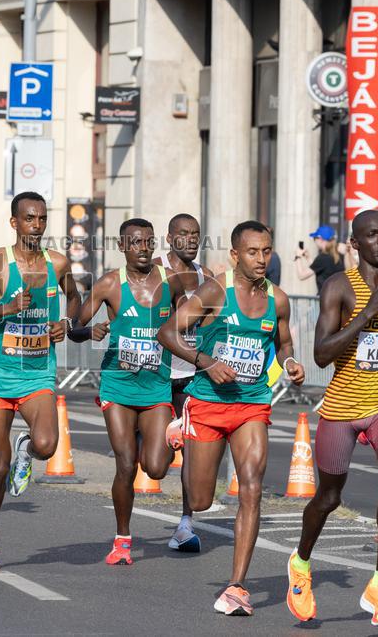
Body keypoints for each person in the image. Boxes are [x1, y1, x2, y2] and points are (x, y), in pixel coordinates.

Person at [158, 221, 304, 616]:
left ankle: (237, 586)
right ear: (235, 255)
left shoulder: (280, 299)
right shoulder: (215, 291)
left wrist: (289, 361)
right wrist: (206, 362)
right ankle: (181, 431)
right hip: (206, 402)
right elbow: (168, 333)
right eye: (253, 252)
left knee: (251, 487)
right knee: (202, 500)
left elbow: (283, 340)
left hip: (252, 404)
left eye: (267, 251)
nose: (262, 260)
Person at [286, 210, 378, 628]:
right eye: (371, 235)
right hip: (342, 406)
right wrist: (367, 313)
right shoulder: (340, 286)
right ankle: (301, 562)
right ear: (355, 245)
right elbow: (322, 354)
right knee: (328, 497)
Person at [0, 191, 81, 571]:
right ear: (15, 223)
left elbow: (76, 302)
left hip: (38, 373)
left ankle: (27, 447)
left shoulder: (57, 264)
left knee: (47, 445)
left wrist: (67, 324)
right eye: (29, 218)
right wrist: (5, 308)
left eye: (42, 219)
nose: (37, 226)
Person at [70, 218, 183, 565]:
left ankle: (165, 433)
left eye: (149, 242)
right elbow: (74, 326)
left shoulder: (171, 283)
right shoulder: (109, 284)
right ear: (122, 246)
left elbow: (188, 323)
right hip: (118, 386)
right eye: (135, 242)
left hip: (156, 386)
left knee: (157, 468)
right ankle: (122, 539)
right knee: (124, 465)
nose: (144, 248)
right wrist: (90, 332)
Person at [152, 213, 214, 553]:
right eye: (183, 234)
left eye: (196, 234)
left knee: (193, 452)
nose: (190, 239)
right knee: (157, 465)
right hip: (157, 376)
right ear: (169, 237)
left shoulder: (206, 277)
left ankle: (185, 526)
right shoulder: (155, 270)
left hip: (192, 377)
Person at [294, 225, 344, 294]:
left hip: (325, 298)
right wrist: (308, 258)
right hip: (338, 298)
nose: (314, 241)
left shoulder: (323, 257)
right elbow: (320, 270)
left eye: (314, 238)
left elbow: (301, 275)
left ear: (320, 239)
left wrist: (297, 256)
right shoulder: (340, 256)